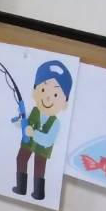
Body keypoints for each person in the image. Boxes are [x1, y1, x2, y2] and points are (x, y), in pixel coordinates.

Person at [15, 59, 72, 201]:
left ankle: (39, 193)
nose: (47, 97)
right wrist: (19, 122)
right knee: (21, 159)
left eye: (55, 95)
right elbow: (24, 124)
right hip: (28, 143)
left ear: (64, 103)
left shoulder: (56, 123)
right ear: (34, 91)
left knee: (39, 167)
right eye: (43, 89)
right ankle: (21, 188)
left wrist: (33, 133)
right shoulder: (33, 111)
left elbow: (47, 141)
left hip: (42, 148)